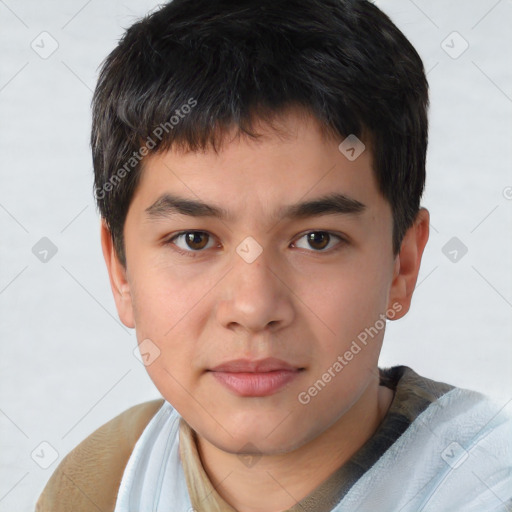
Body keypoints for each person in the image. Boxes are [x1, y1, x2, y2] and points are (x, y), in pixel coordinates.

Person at [35, 0, 512, 510]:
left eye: (317, 239)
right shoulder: (105, 481)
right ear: (120, 270)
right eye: (194, 239)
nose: (254, 307)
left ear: (403, 264)